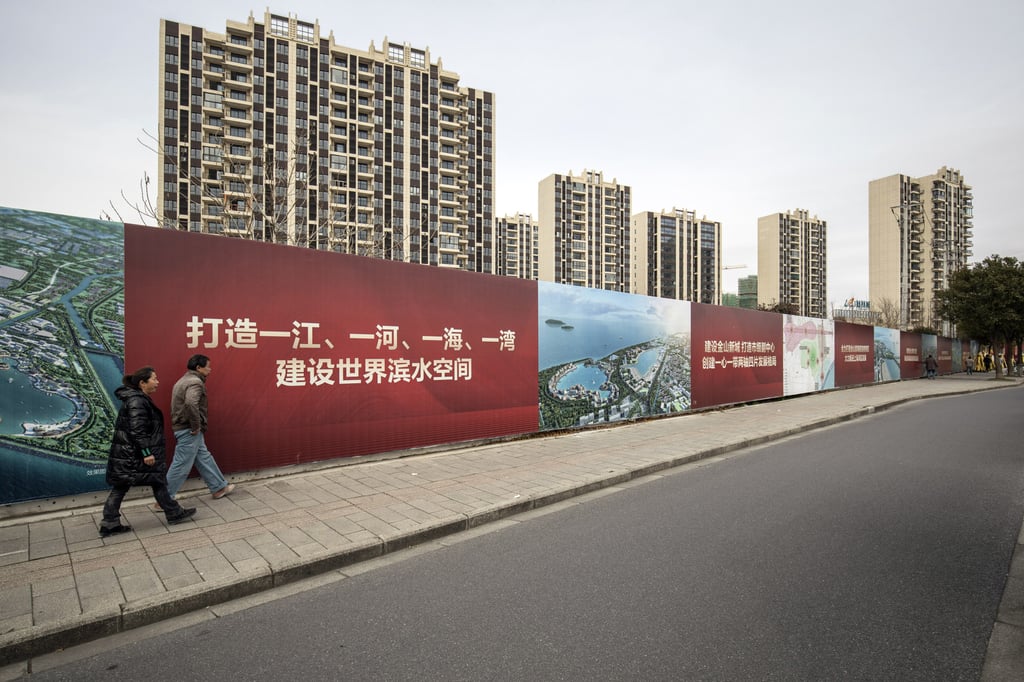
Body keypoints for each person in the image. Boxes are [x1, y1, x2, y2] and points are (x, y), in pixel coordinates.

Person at [101, 367, 197, 537]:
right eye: (154, 378)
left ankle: (173, 512)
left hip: (129, 452)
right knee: (124, 486)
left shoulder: (137, 399)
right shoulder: (137, 401)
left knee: (154, 481)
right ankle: (110, 522)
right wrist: (146, 452)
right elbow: (138, 430)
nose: (157, 382)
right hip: (133, 454)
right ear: (142, 383)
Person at [164, 354, 236, 502]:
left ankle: (219, 487)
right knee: (181, 463)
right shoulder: (195, 382)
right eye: (208, 366)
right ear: (198, 367)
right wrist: (196, 425)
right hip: (188, 429)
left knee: (203, 457)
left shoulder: (183, 380)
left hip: (184, 427)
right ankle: (163, 499)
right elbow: (191, 403)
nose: (210, 369)